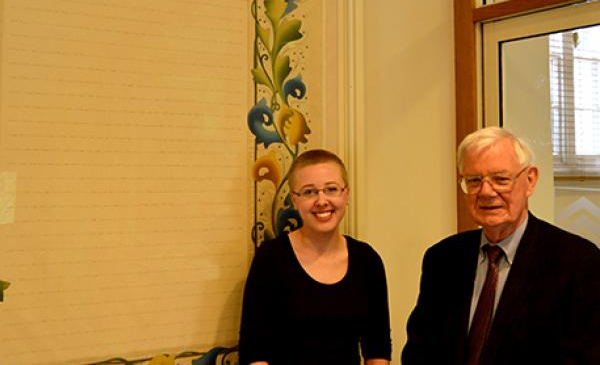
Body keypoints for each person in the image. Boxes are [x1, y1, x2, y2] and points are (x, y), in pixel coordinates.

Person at [401, 126, 600, 365]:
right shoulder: (442, 259)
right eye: (474, 180)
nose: (486, 192)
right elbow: (419, 353)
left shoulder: (578, 262)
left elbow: (581, 359)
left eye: (500, 179)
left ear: (530, 180)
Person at [238, 149, 392, 365]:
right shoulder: (271, 259)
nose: (322, 201)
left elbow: (378, 348)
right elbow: (255, 354)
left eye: (331, 189)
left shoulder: (367, 260)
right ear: (295, 200)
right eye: (309, 192)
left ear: (346, 195)